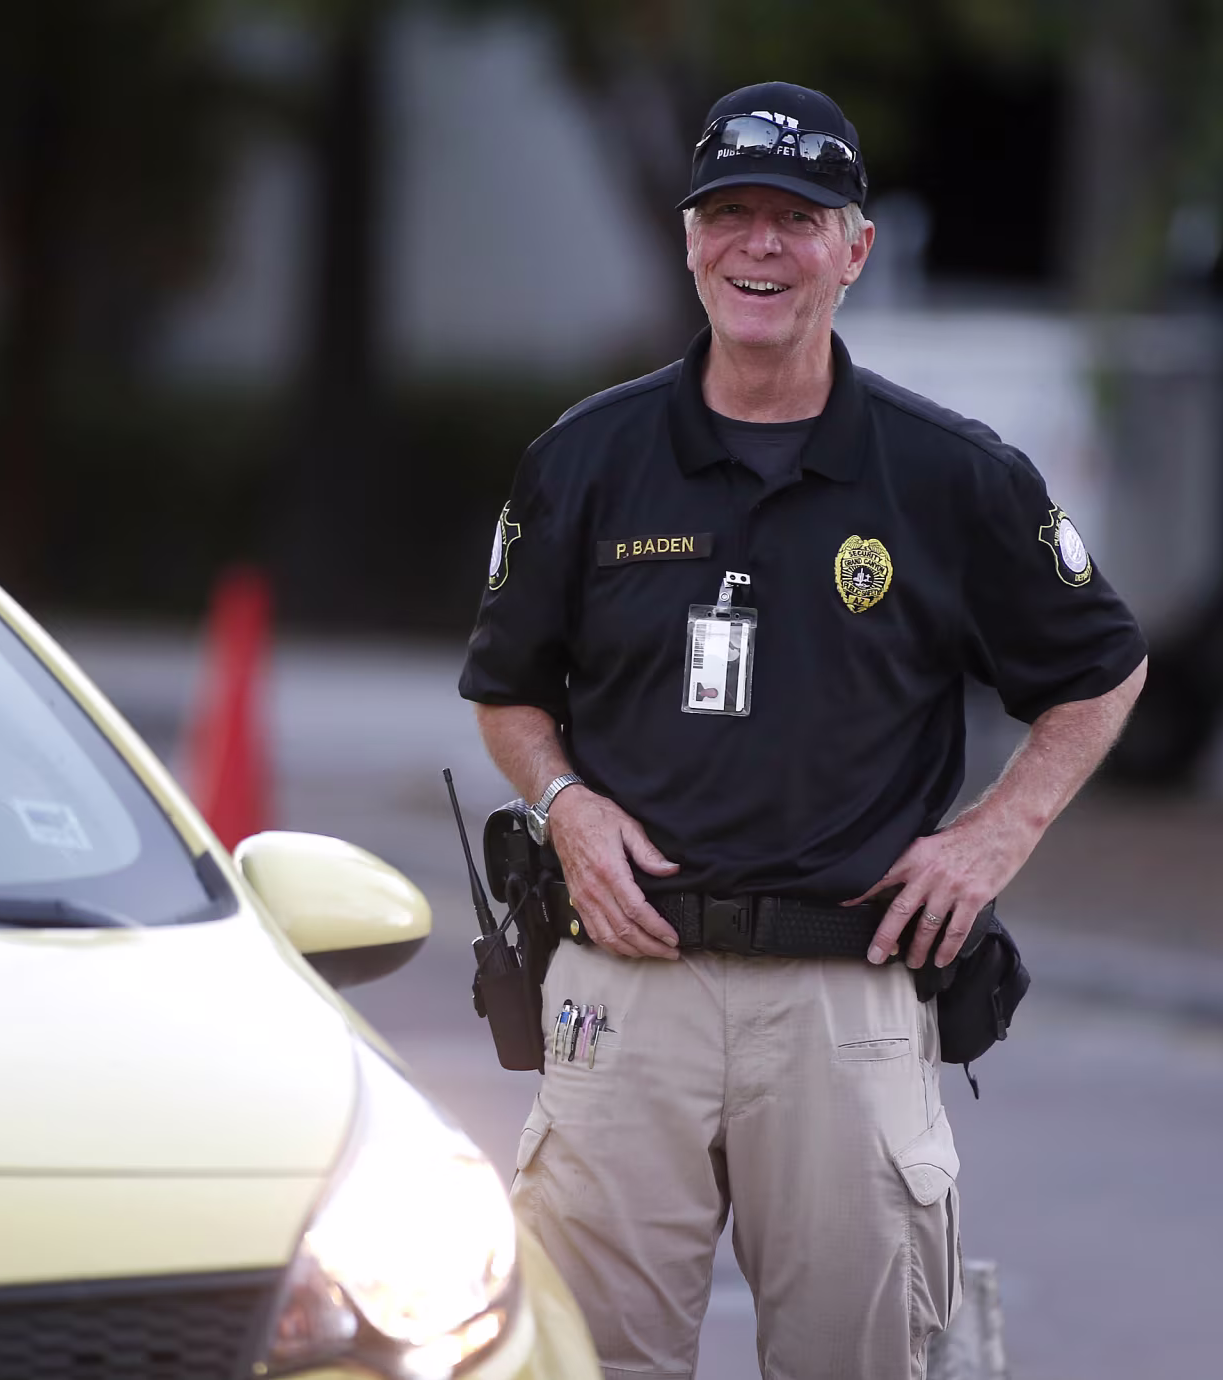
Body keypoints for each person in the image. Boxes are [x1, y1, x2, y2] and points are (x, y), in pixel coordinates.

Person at [459, 80, 1147, 1380]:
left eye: (796, 216)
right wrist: (564, 804)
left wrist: (991, 842)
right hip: (624, 999)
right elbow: (506, 690)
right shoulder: (587, 459)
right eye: (731, 214)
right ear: (689, 239)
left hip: (849, 1006)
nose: (759, 246)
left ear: (855, 249)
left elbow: (1103, 667)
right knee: (579, 1366)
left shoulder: (950, 477)